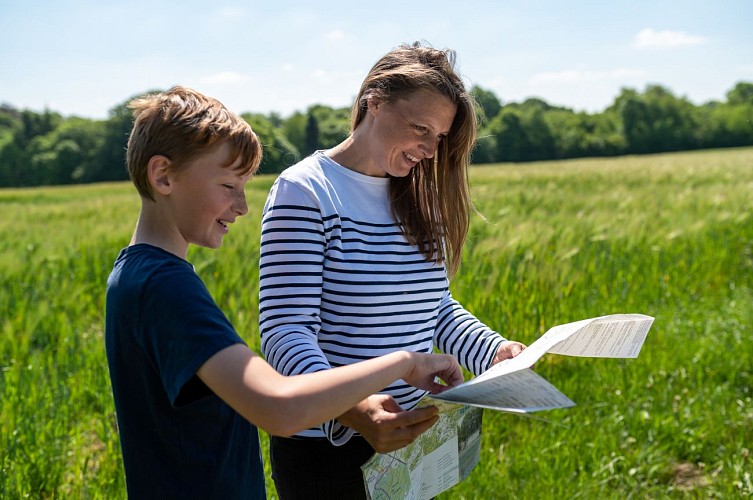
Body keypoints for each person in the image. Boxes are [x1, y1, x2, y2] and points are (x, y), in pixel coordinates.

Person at [104, 85, 464, 499]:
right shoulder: (165, 287)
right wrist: (402, 363)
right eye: (228, 186)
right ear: (163, 175)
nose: (242, 206)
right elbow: (281, 407)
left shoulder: (136, 276)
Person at [259, 42, 527, 499]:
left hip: (409, 441)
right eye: (419, 128)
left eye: (439, 137)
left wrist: (493, 352)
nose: (428, 149)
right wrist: (355, 409)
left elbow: (433, 307)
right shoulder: (306, 191)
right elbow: (285, 331)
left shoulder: (421, 200)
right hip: (326, 448)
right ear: (375, 102)